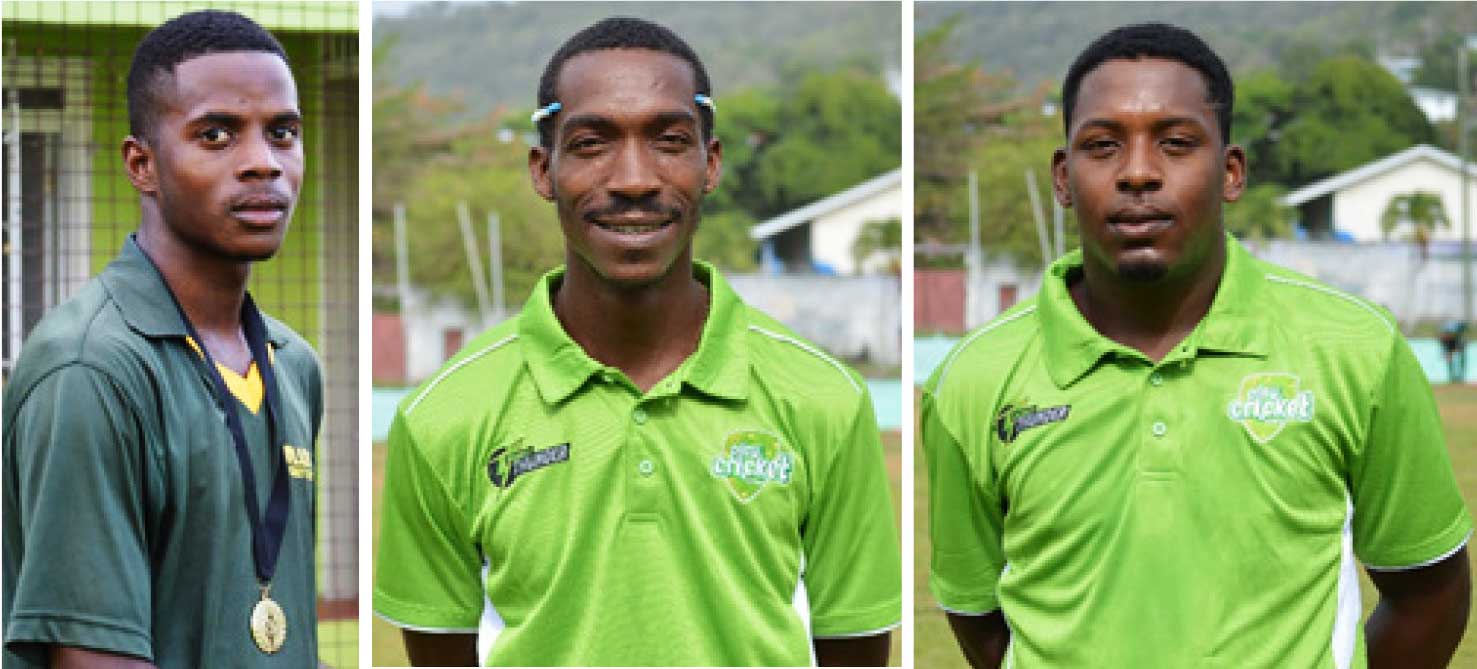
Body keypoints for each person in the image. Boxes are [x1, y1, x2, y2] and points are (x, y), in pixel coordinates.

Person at [923, 22, 1471, 669]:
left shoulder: (1354, 348)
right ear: (1063, 178)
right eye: (1102, 145)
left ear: (1229, 170)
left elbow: (1427, 593)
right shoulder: (973, 378)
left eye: (1176, 143)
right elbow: (979, 615)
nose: (1136, 173)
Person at [373, 17, 901, 667]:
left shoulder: (825, 397)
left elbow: (855, 649)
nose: (632, 178)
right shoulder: (443, 415)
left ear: (709, 164)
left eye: (669, 140)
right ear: (544, 170)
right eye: (592, 143)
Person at [2, 10, 322, 668]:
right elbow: (92, 658)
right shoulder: (90, 368)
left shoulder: (295, 365)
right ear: (141, 164)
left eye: (282, 133)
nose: (262, 163)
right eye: (216, 134)